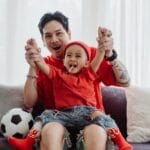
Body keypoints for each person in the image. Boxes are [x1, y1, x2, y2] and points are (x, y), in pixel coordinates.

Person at [10, 11, 130, 150]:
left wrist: (109, 54)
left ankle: (121, 142)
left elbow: (124, 82)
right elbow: (29, 102)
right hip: (58, 120)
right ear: (43, 41)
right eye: (48, 36)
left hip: (90, 119)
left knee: (96, 132)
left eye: (59, 33)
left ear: (69, 34)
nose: (54, 39)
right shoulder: (47, 67)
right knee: (50, 130)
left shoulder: (88, 56)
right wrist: (32, 66)